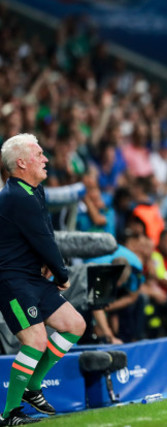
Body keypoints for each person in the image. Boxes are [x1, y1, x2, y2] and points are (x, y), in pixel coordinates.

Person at [0, 133, 86, 425]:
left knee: (75, 324)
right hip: (11, 280)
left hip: (32, 277)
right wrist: (61, 273)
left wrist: (48, 266)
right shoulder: (15, 196)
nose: (45, 159)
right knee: (34, 340)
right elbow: (42, 240)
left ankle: (32, 387)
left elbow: (44, 234)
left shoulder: (33, 190)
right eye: (38, 154)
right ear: (21, 162)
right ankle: (9, 413)